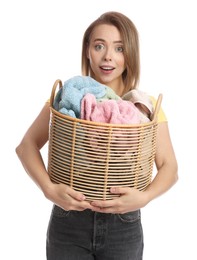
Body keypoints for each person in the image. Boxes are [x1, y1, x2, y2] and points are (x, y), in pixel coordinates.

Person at [16, 11, 178, 260]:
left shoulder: (145, 107)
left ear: (130, 54)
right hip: (68, 220)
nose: (108, 56)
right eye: (99, 46)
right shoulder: (66, 99)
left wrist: (144, 198)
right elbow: (26, 146)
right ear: (87, 51)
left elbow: (169, 168)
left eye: (119, 48)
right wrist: (48, 189)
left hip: (123, 224)